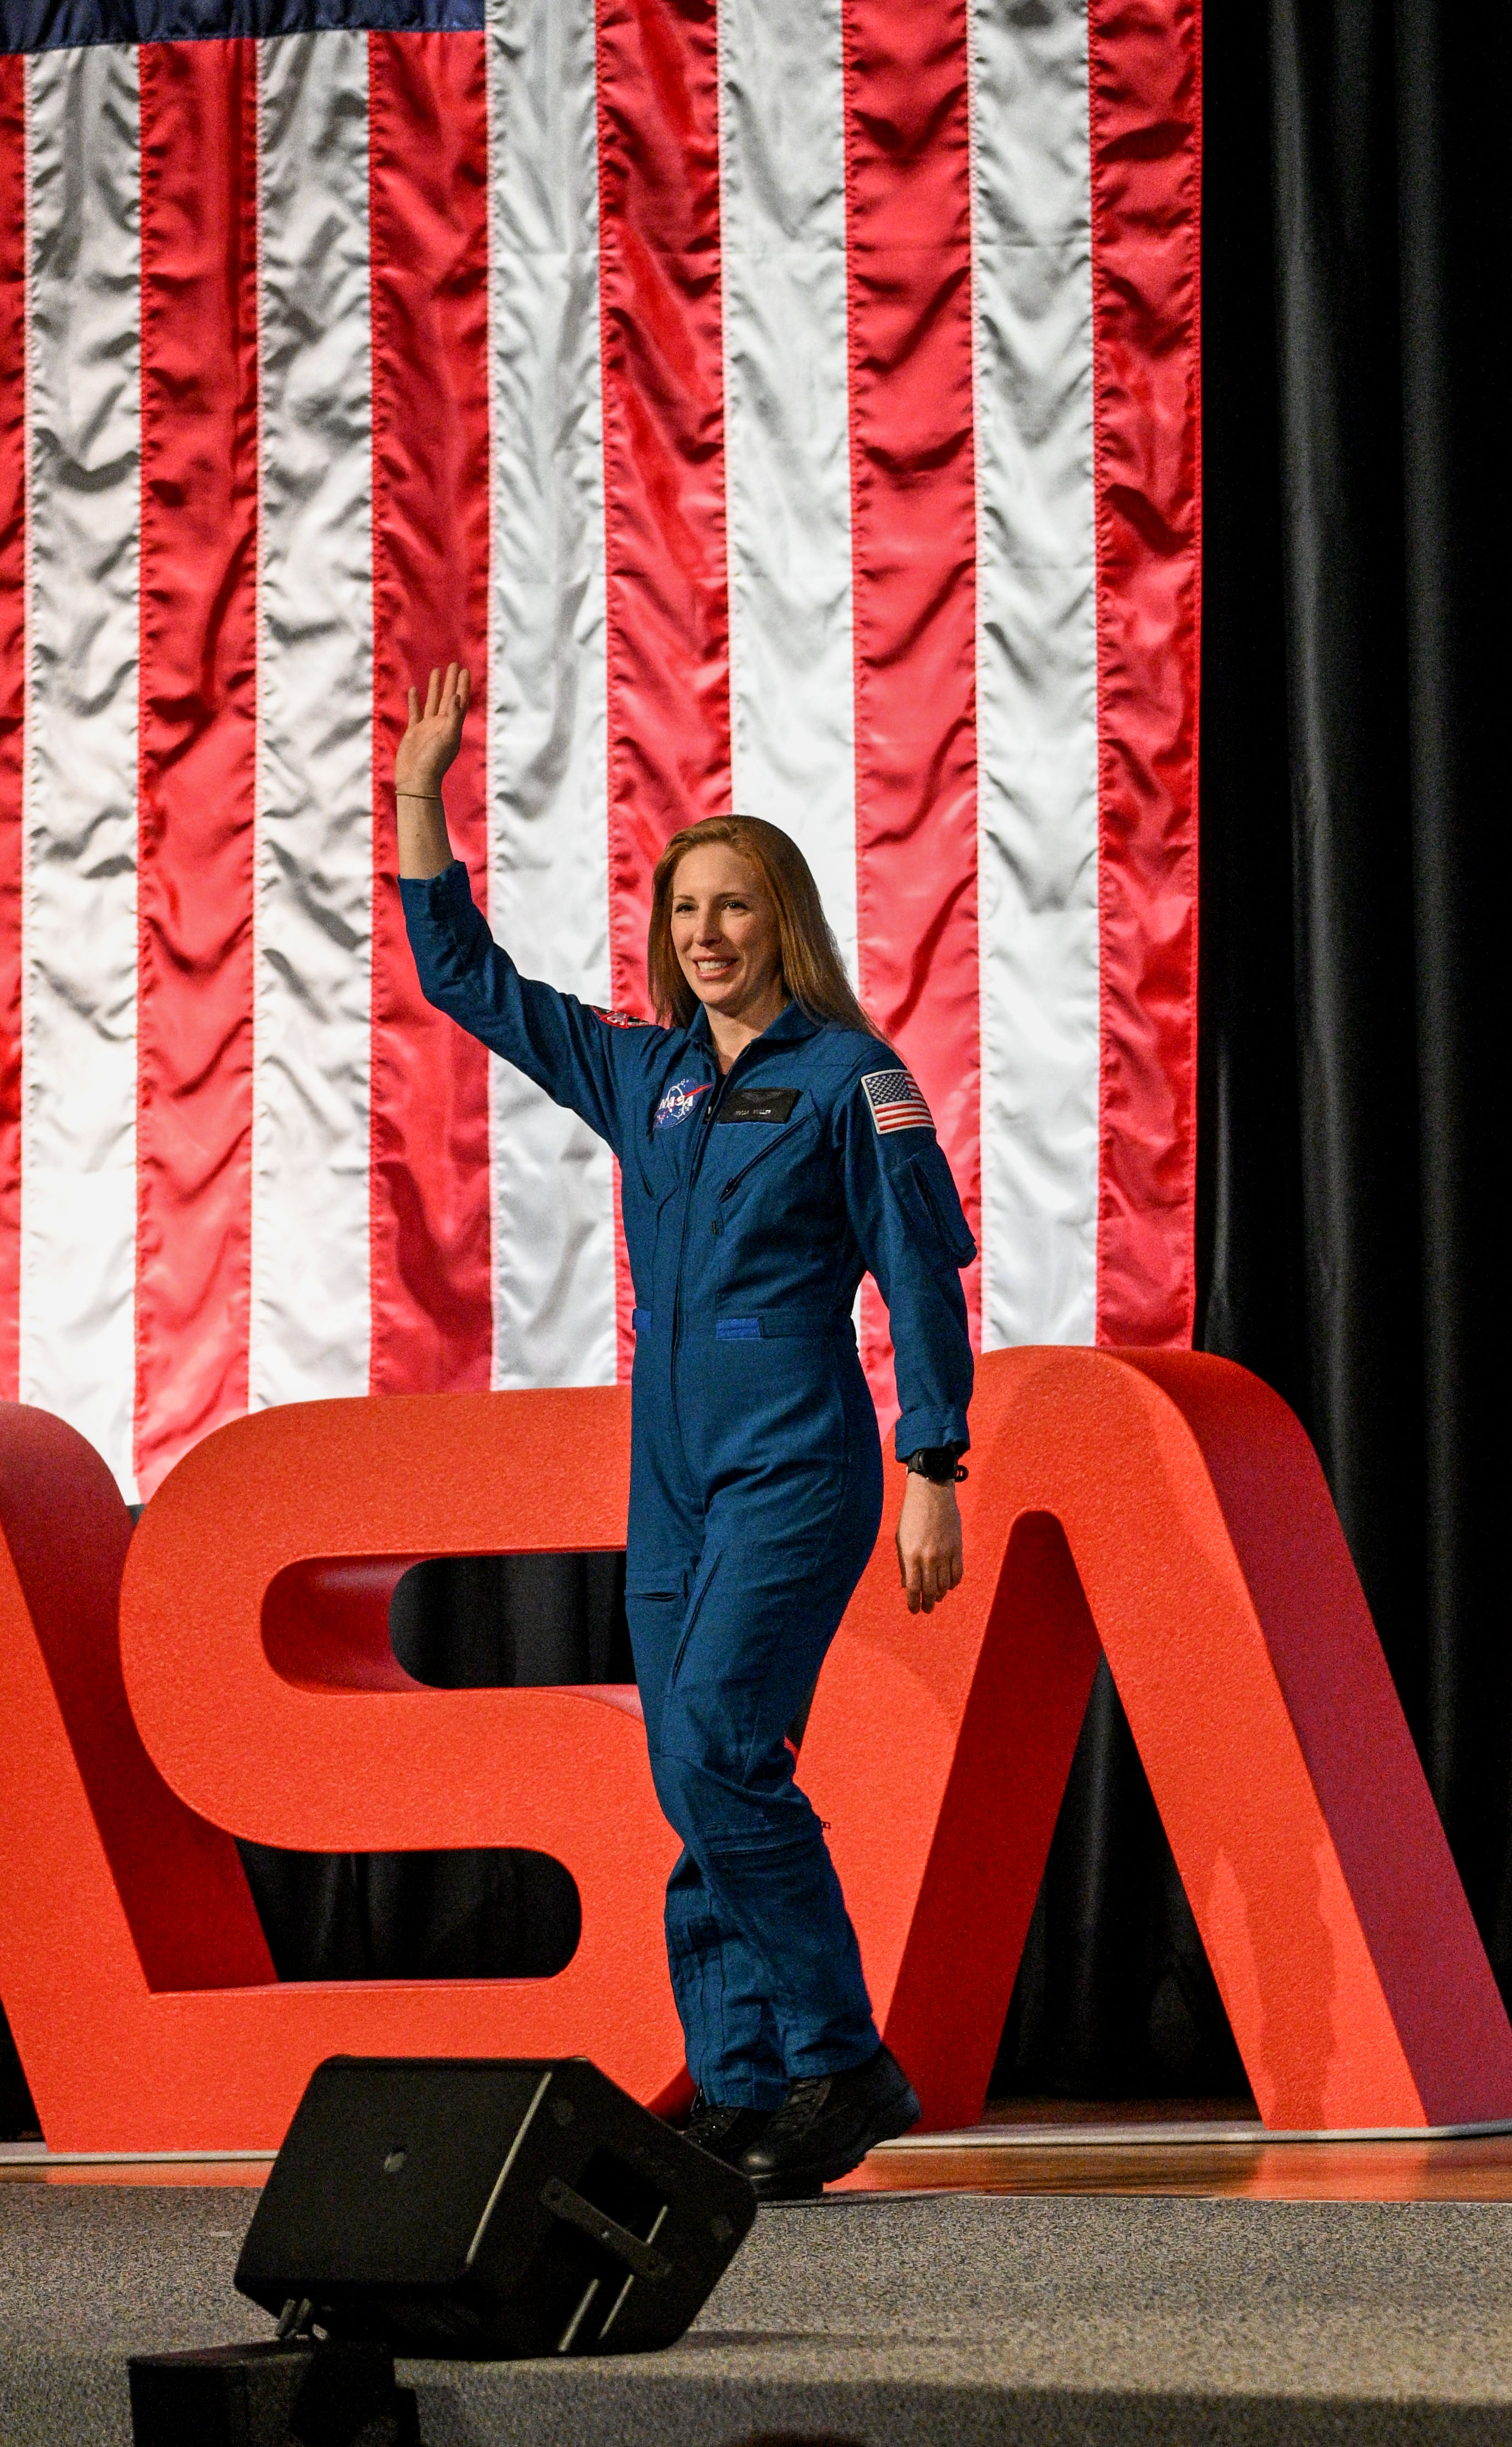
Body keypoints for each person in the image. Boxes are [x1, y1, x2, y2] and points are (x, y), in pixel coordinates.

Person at [392, 661, 974, 2199]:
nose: (706, 935)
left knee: (717, 1740)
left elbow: (919, 1279)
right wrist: (414, 800)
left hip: (797, 1458)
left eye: (735, 907)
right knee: (692, 1771)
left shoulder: (856, 1081)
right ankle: (740, 2084)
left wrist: (934, 1466)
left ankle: (844, 2063)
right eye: (686, 912)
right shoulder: (643, 1074)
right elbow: (471, 988)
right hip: (668, 1483)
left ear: (784, 923)